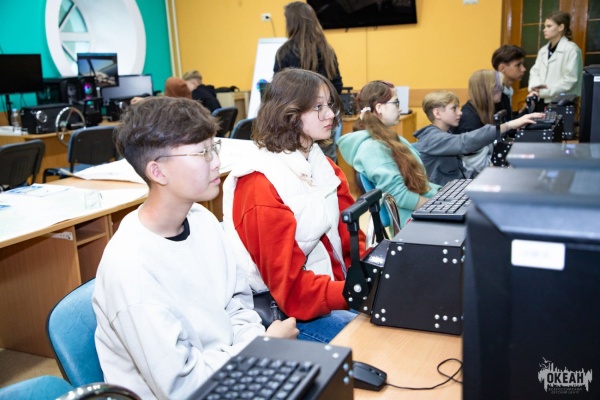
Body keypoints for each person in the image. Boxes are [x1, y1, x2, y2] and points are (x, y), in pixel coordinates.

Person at [92, 96, 298, 399]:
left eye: (214, 148)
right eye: (202, 153)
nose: (216, 162)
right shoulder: (131, 268)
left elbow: (237, 304)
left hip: (236, 374)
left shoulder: (201, 219)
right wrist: (262, 350)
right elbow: (183, 387)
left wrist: (257, 349)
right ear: (157, 172)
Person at [222, 68, 365, 343]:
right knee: (375, 348)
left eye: (330, 105)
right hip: (288, 314)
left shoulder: (322, 163)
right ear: (289, 113)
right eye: (318, 107)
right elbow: (290, 290)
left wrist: (370, 274)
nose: (331, 115)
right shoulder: (259, 182)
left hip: (331, 291)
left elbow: (349, 236)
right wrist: (356, 290)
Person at [337, 80, 440, 228]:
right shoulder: (372, 148)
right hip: (413, 222)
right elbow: (400, 196)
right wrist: (438, 206)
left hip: (421, 212)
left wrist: (442, 195)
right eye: (396, 103)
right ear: (379, 108)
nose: (400, 108)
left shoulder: (388, 138)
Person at [413, 90, 543, 186]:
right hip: (444, 196)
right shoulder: (432, 138)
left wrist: (487, 172)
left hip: (455, 189)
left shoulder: (445, 135)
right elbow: (465, 142)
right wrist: (509, 125)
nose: (460, 112)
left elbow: (461, 173)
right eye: (454, 108)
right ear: (437, 113)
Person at [274, 1, 344, 162]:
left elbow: (278, 92)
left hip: (296, 124)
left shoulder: (284, 52)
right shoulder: (327, 50)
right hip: (325, 118)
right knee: (326, 164)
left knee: (298, 165)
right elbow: (337, 85)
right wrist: (324, 106)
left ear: (291, 22)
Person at [528, 10, 583, 104]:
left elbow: (570, 80)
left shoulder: (572, 50)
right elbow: (535, 72)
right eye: (545, 26)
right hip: (540, 100)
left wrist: (544, 91)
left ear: (561, 27)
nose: (544, 30)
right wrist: (535, 88)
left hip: (562, 102)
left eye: (549, 26)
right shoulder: (543, 51)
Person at [491, 44, 527, 117]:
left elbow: (509, 120)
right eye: (518, 65)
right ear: (502, 68)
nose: (523, 69)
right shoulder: (495, 94)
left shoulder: (507, 90)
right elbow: (504, 123)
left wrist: (527, 108)